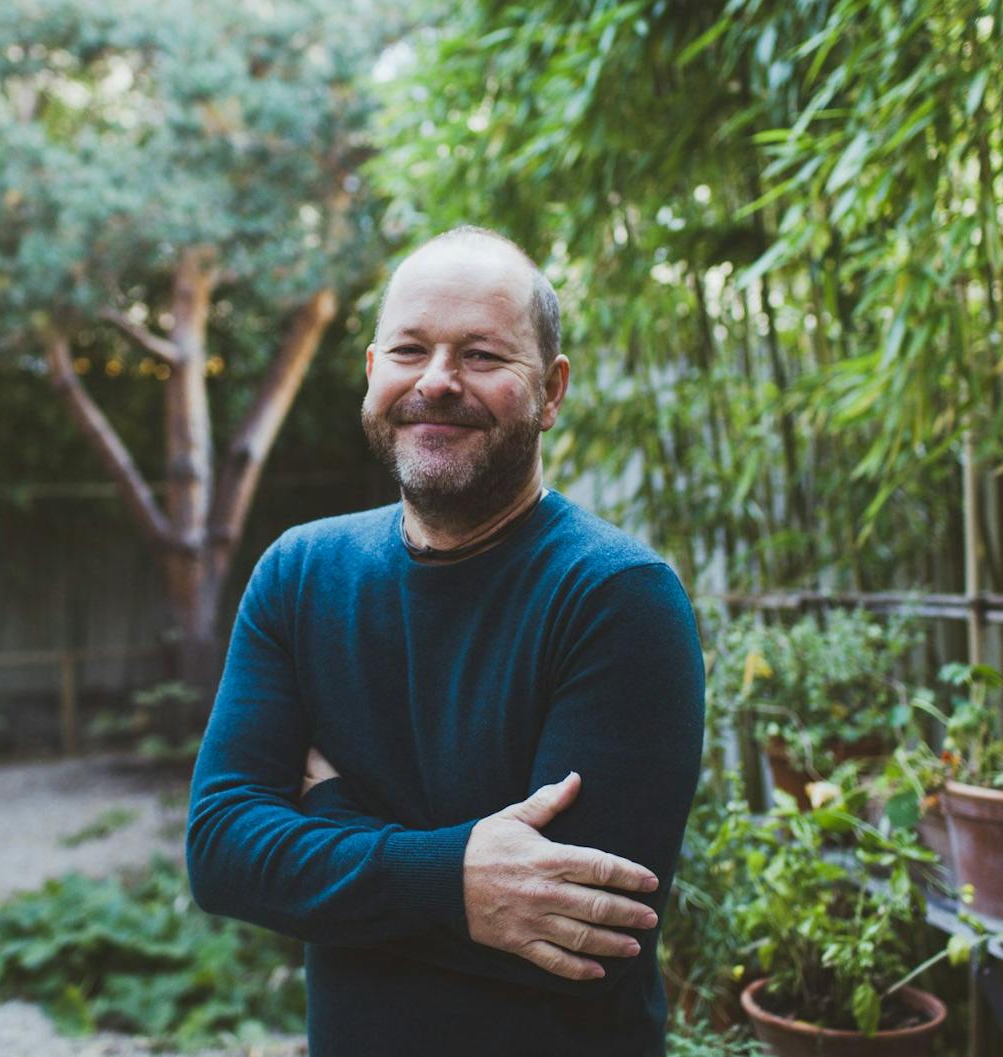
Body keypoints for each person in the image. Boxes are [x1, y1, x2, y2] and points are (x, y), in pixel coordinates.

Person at [185, 226, 704, 1056]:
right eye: (410, 349)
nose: (436, 381)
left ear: (552, 390)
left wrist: (329, 809)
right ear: (371, 371)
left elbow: (576, 942)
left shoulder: (616, 596)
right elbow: (221, 852)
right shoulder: (299, 573)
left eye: (483, 356)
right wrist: (458, 876)